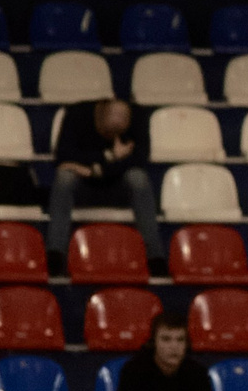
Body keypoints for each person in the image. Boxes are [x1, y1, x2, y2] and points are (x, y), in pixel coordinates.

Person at [47, 96, 164, 273]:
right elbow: (63, 157)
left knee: (138, 178)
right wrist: (109, 156)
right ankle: (55, 255)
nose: (114, 135)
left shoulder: (138, 116)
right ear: (100, 118)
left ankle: (155, 258)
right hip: (83, 188)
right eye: (109, 133)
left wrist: (96, 170)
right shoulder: (76, 114)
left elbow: (139, 159)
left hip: (118, 188)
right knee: (64, 177)